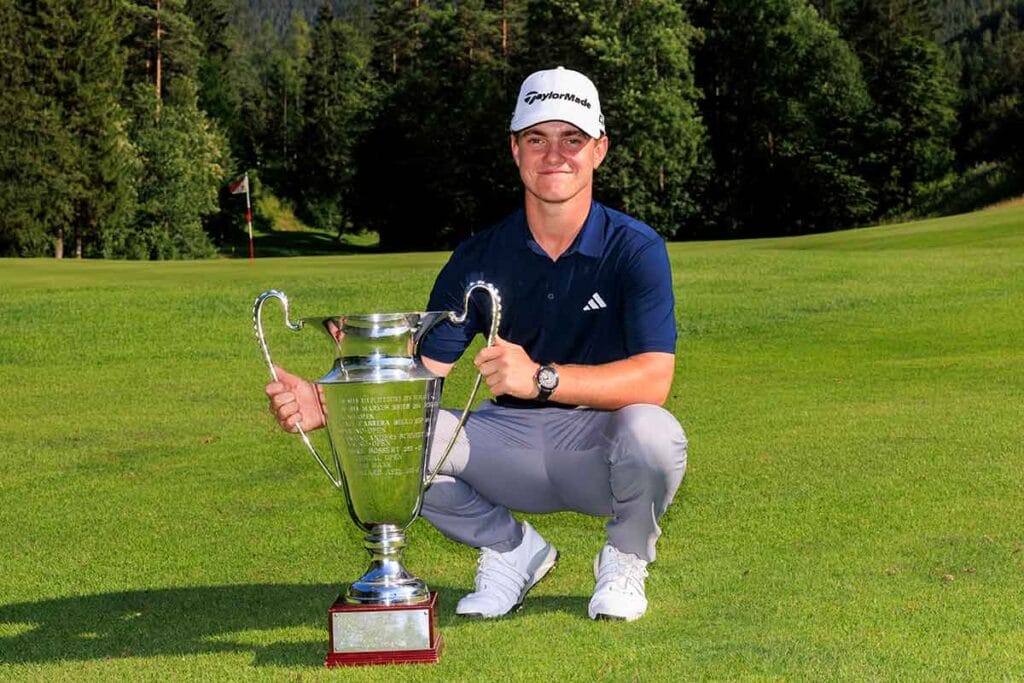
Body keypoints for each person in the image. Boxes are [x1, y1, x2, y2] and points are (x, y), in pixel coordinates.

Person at [266, 67, 688, 622]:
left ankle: (625, 559)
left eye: (572, 139)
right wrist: (334, 404)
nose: (554, 155)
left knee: (655, 434)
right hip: (506, 443)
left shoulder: (634, 248)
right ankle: (512, 551)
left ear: (599, 150)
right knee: (388, 440)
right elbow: (423, 370)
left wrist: (540, 377)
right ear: (515, 149)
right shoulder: (479, 256)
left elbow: (654, 378)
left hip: (600, 445)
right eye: (537, 138)